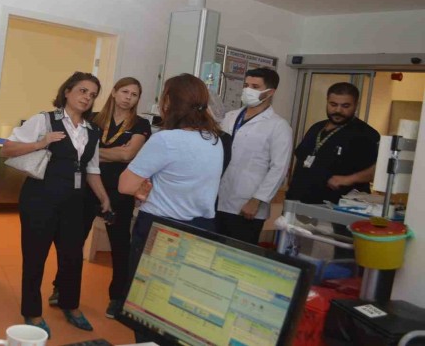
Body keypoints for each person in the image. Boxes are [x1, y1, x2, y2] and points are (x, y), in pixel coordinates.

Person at [1, 72, 112, 337]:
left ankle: (70, 305)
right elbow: (7, 149)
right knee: (35, 256)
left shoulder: (93, 131)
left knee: (72, 257)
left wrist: (104, 197)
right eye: (83, 91)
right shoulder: (45, 120)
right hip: (40, 199)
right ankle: (32, 312)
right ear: (67, 91)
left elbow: (92, 169)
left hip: (74, 203)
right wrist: (41, 142)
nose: (87, 98)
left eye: (93, 95)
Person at [118, 73, 225, 342]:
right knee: (183, 307)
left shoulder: (166, 140)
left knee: (148, 306)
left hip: (162, 232)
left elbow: (125, 185)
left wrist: (143, 188)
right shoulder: (214, 140)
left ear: (168, 102)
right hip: (201, 231)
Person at [50, 77, 151, 319]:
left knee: (120, 246)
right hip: (86, 188)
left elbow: (127, 154)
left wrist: (90, 152)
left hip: (119, 192)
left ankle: (117, 298)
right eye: (124, 92)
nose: (128, 97)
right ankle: (61, 288)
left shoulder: (141, 124)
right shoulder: (93, 119)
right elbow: (79, 150)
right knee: (73, 242)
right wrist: (104, 153)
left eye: (134, 94)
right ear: (114, 93)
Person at [216, 68, 293, 245]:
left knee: (237, 253)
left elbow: (279, 169)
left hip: (248, 205)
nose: (248, 90)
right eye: (246, 85)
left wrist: (257, 200)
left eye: (255, 87)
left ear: (270, 92)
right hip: (218, 198)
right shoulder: (230, 117)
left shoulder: (279, 126)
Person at [286, 82, 380, 205]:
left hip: (336, 205)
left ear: (356, 105)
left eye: (345, 106)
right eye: (333, 104)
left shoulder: (366, 134)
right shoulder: (316, 128)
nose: (338, 110)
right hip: (298, 200)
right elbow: (301, 158)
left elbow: (379, 170)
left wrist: (349, 179)